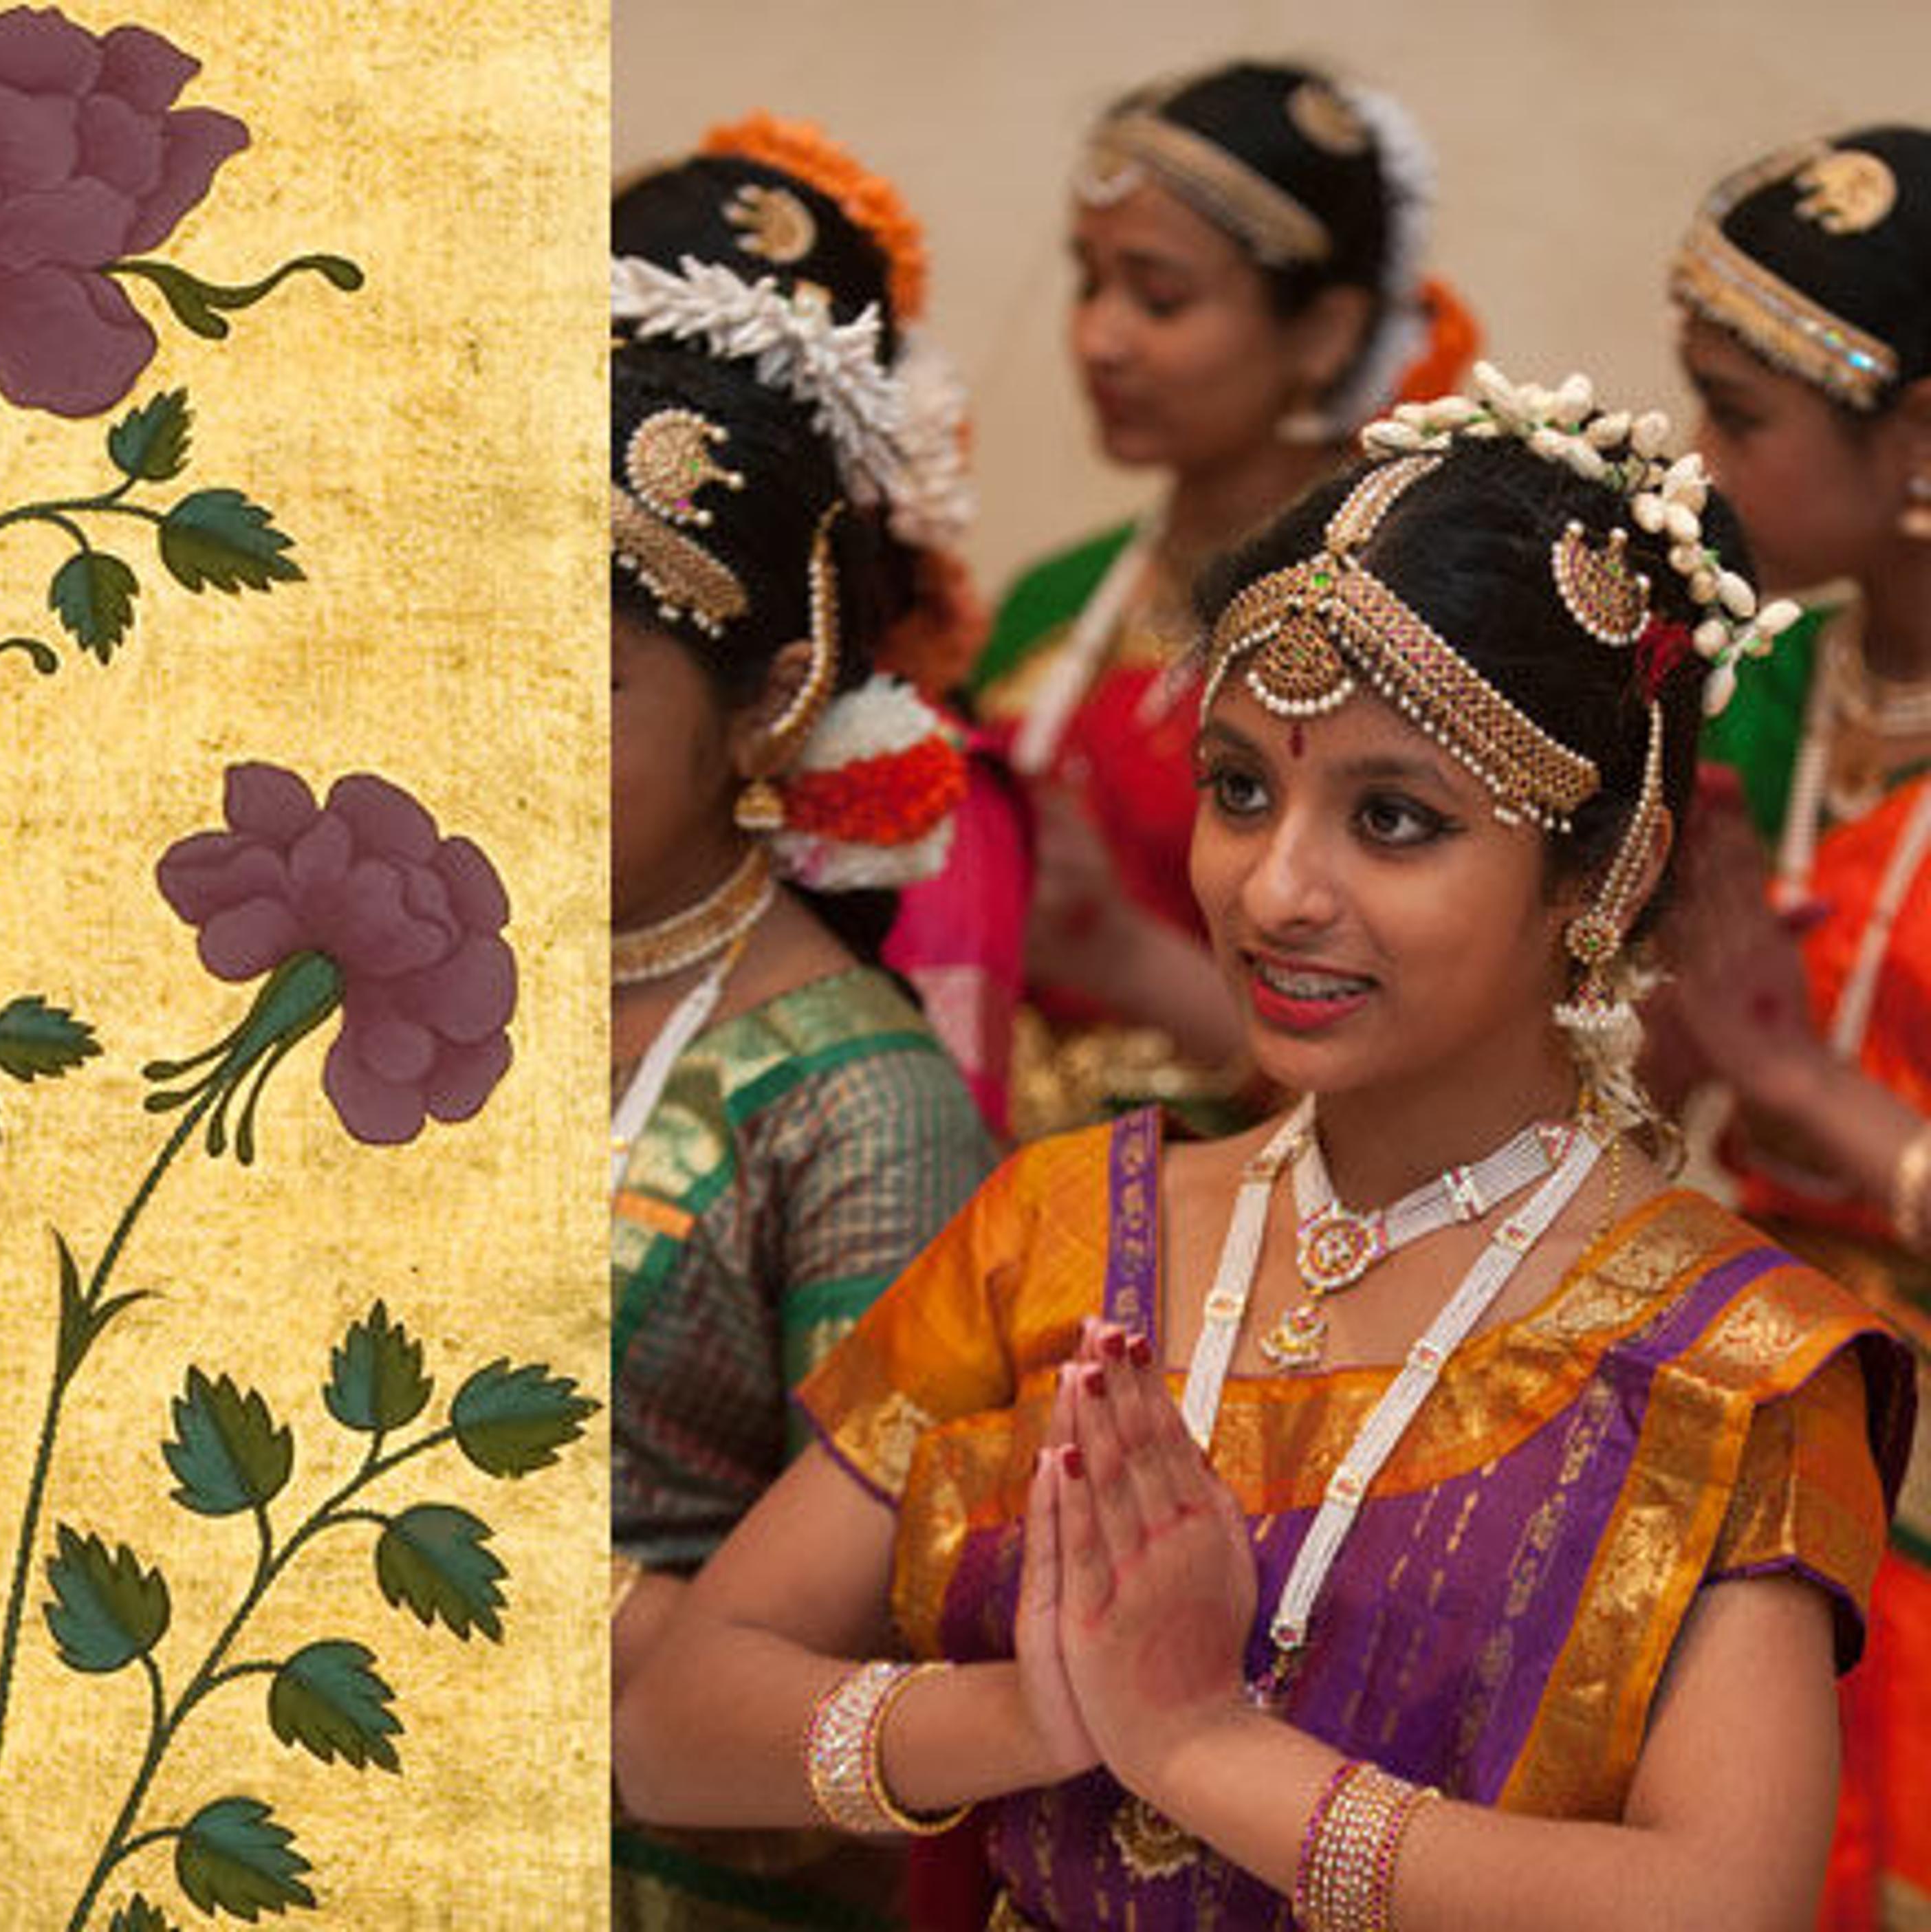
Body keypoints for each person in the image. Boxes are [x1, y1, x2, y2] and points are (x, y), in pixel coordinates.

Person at [615, 367, 1914, 1931]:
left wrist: (1207, 1749)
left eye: (1394, 820)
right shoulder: (1064, 1228)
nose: (1275, 887)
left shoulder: (1735, 1363)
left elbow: (1719, 1906)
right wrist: (1030, 1719)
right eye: (1241, 790)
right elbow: (675, 1729)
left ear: (1604, 868)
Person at [610, 122, 999, 1930]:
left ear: (770, 697)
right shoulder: (370, 977)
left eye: (581, 684)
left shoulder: (866, 1111)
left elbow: (861, 1730)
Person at [888, 60, 1475, 1139]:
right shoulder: (1055, 596)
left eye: (1159, 297)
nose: (1100, 337)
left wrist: (1112, 947)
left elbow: (1425, 1067)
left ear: (1325, 332)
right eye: (1088, 281)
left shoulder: (1401, 627)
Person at [1655, 126, 1931, 1929]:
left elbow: (1766, 1055)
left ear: (1919, 449)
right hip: (1745, 1406)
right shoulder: (1753, 679)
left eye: (1738, 418)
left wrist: (1797, 1083)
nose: (1698, 468)